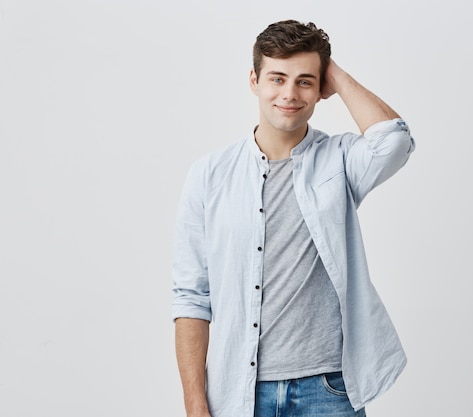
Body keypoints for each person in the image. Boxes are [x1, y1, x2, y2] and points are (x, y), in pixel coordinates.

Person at [172, 19, 415, 417]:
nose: (289, 93)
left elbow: (395, 141)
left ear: (321, 90)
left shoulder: (339, 160)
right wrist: (195, 402)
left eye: (304, 81)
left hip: (329, 389)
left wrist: (330, 70)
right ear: (254, 80)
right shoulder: (209, 175)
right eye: (277, 78)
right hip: (240, 392)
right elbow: (191, 297)